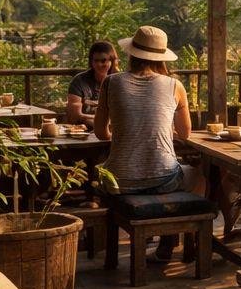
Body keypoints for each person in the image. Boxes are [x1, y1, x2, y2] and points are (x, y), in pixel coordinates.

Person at [94, 26, 204, 260]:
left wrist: (126, 132)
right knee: (200, 176)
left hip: (118, 181)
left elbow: (101, 133)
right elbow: (185, 133)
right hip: (164, 180)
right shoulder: (175, 85)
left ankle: (166, 243)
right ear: (161, 57)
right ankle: (181, 240)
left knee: (175, 173)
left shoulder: (111, 82)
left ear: (131, 53)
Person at [66, 41, 118, 128]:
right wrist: (103, 120)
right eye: (96, 60)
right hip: (82, 131)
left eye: (103, 60)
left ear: (112, 61)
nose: (99, 64)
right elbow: (74, 115)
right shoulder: (79, 81)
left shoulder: (118, 82)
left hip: (113, 130)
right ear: (91, 61)